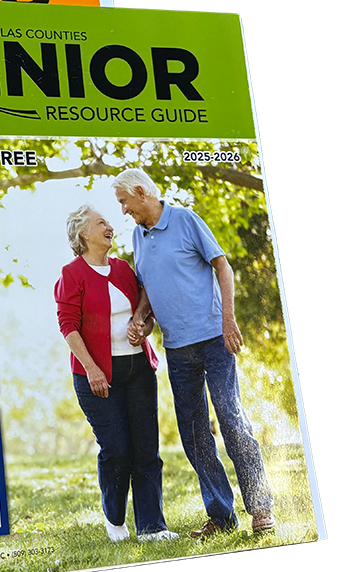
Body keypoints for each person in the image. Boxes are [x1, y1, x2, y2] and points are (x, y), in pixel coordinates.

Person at [113, 168, 275, 538]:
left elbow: (223, 265)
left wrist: (228, 320)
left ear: (141, 192)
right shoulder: (139, 236)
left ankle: (261, 506)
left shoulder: (185, 219)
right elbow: (149, 288)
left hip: (214, 338)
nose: (123, 211)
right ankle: (221, 515)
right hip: (177, 349)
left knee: (231, 419)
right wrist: (140, 317)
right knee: (194, 432)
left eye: (124, 201)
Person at [54, 205, 177, 543]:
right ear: (84, 234)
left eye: (108, 222)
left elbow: (146, 312)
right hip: (95, 376)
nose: (110, 226)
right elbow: (68, 326)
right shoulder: (72, 274)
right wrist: (92, 368)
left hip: (138, 369)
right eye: (101, 223)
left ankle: (153, 527)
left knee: (146, 449)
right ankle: (115, 519)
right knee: (117, 450)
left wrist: (145, 327)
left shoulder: (123, 269)